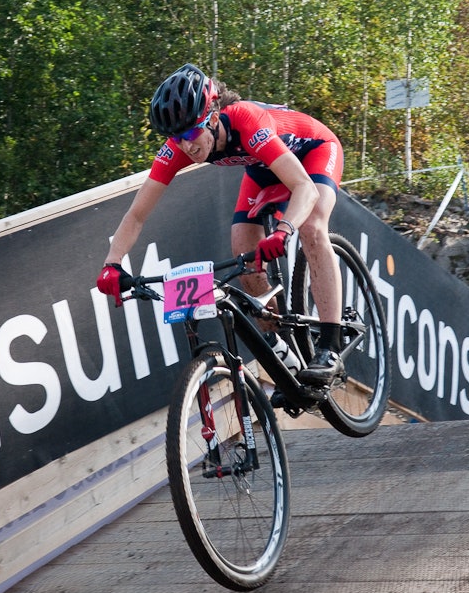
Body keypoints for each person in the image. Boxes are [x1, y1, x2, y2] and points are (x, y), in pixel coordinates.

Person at [96, 63, 345, 386]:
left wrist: (284, 231)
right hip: (262, 170)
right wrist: (112, 263)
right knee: (243, 251)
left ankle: (330, 345)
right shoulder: (180, 147)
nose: (186, 145)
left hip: (314, 152)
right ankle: (282, 354)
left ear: (213, 118)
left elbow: (305, 189)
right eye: (176, 137)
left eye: (189, 133)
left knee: (311, 227)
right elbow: (137, 215)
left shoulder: (246, 120)